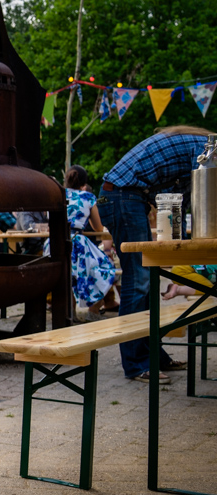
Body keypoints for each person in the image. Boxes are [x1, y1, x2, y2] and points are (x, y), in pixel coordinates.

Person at [98, 126, 205, 383]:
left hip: (125, 196)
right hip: (122, 196)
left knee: (146, 280)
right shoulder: (208, 151)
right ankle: (136, 364)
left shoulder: (201, 143)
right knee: (139, 281)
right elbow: (200, 193)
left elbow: (181, 197)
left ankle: (153, 356)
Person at [45, 166, 116, 322]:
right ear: (84, 182)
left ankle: (70, 313)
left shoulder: (57, 194)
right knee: (106, 268)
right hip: (76, 242)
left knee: (67, 275)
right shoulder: (87, 197)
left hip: (53, 242)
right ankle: (94, 310)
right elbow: (98, 227)